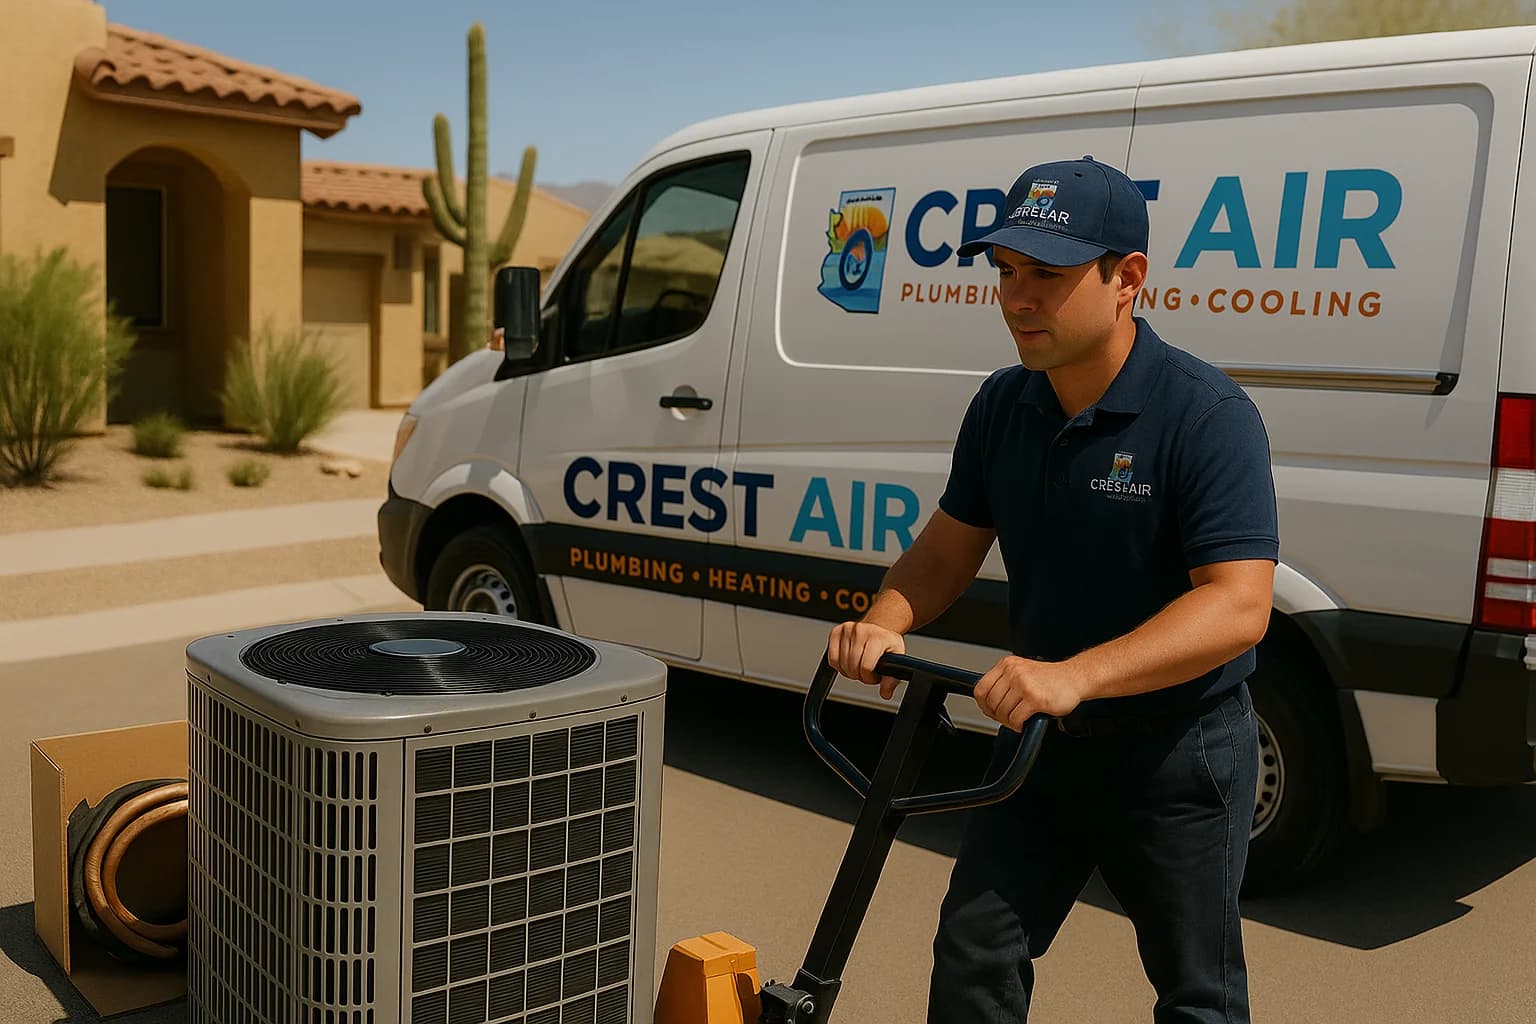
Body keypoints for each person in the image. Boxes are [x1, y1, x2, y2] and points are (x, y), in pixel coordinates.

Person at [825, 155, 1278, 1023]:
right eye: (1006, 272)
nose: (1017, 298)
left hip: (1177, 753)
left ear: (1127, 279)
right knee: (974, 952)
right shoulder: (1004, 405)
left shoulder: (1207, 417)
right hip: (1042, 743)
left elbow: (1238, 604)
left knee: (1198, 996)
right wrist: (883, 620)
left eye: (1048, 275)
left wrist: (1076, 673)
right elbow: (946, 552)